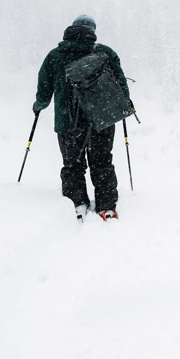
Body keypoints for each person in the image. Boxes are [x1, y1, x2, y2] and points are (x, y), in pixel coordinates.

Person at [34, 14, 131, 221]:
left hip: (67, 120)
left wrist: (38, 106)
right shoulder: (105, 53)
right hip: (102, 119)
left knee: (72, 164)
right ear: (92, 32)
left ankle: (77, 204)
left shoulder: (55, 55)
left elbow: (44, 88)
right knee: (102, 162)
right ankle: (106, 207)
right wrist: (125, 105)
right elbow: (121, 84)